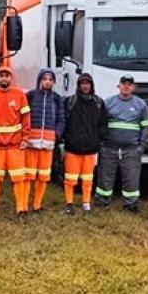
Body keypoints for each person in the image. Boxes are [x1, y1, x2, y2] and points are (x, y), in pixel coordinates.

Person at [95, 75, 148, 212]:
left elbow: (147, 126)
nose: (126, 86)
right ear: (118, 86)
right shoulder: (108, 103)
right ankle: (102, 203)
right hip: (109, 148)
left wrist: (142, 146)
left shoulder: (141, 105)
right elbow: (99, 124)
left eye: (129, 84)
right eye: (124, 84)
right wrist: (101, 144)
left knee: (131, 178)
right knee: (105, 177)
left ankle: (131, 205)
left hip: (132, 150)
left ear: (133, 87)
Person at [0, 65, 32, 216]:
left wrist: (25, 138)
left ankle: (20, 209)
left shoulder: (19, 95)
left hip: (16, 145)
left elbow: (26, 118)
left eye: (7, 76)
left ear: (11, 78)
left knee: (18, 178)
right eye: (1, 76)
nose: (4, 78)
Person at [61, 72, 107, 214]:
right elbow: (63, 121)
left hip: (91, 148)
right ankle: (69, 203)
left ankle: (86, 203)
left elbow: (103, 124)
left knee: (88, 179)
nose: (85, 86)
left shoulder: (99, 103)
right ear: (78, 85)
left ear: (92, 85)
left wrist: (99, 140)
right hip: (72, 148)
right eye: (82, 83)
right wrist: (66, 138)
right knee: (70, 178)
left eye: (88, 83)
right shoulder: (70, 102)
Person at [24, 69, 65, 212]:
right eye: (44, 79)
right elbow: (23, 116)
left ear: (53, 82)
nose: (47, 82)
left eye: (50, 79)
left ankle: (37, 205)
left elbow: (61, 119)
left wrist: (56, 134)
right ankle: (23, 205)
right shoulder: (30, 95)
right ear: (39, 80)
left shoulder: (57, 98)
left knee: (43, 176)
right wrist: (25, 134)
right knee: (28, 175)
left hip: (48, 143)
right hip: (31, 142)